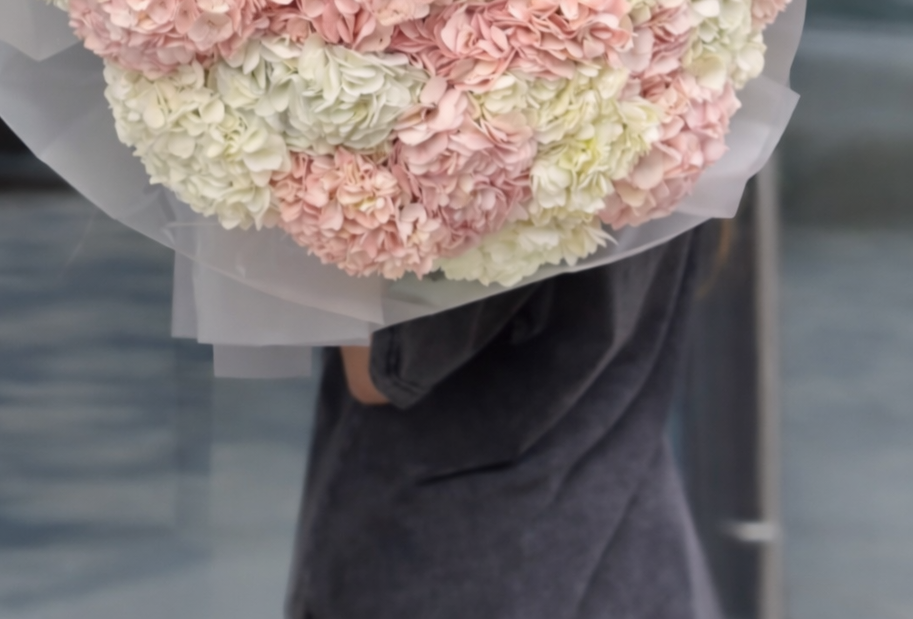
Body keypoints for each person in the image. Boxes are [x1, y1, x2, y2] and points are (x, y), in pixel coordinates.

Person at [286, 230, 722, 619]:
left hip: (461, 560)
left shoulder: (512, 166)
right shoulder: (690, 162)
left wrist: (327, 200)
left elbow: (377, 370)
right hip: (634, 546)